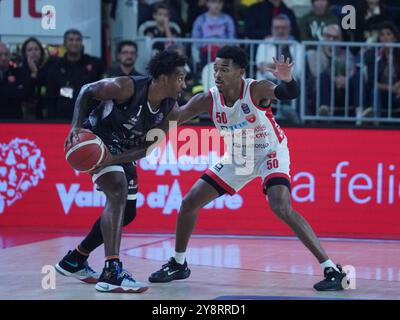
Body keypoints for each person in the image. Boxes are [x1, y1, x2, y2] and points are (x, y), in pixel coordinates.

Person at [149, 45, 348, 291]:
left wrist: (288, 80)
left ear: (240, 71)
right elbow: (172, 120)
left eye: (224, 69)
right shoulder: (207, 99)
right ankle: (179, 263)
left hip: (270, 153)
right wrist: (146, 123)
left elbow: (288, 93)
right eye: (215, 69)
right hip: (238, 158)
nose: (218, 75)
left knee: (280, 206)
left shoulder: (256, 89)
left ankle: (331, 268)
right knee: (189, 202)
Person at [55, 50, 188, 293]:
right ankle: (112, 270)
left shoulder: (172, 111)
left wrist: (113, 159)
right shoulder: (125, 87)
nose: (184, 84)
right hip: (97, 140)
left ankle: (75, 259)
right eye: (180, 78)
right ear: (164, 78)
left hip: (122, 151)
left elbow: (147, 148)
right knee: (117, 190)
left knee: (127, 213)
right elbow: (86, 91)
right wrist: (75, 127)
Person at [46, 29, 104, 120]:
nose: (74, 43)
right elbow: (51, 96)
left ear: (81, 43)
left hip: (88, 118)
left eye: (78, 40)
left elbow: (101, 92)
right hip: (62, 119)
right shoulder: (55, 66)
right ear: (65, 43)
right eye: (71, 40)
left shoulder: (94, 64)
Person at [20, 37, 56, 119]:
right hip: (28, 115)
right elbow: (27, 95)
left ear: (41, 51)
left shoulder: (50, 67)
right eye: (29, 50)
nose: (33, 52)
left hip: (48, 113)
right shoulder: (21, 71)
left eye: (36, 49)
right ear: (25, 53)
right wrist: (33, 73)